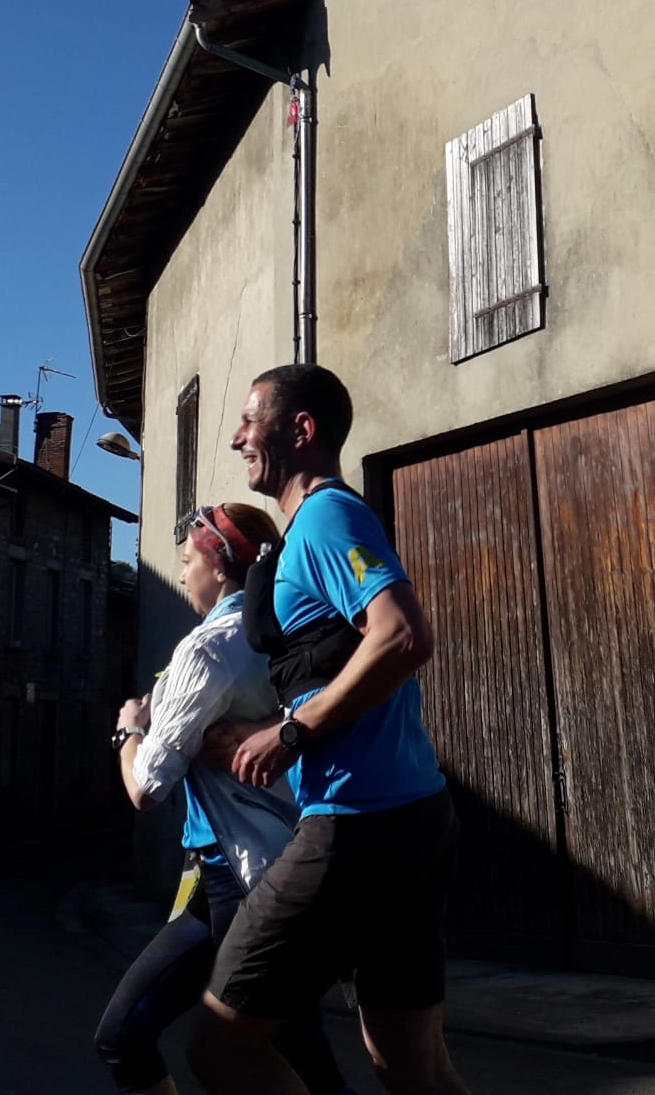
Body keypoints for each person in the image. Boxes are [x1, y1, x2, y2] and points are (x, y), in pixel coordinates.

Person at [189, 363, 472, 1095]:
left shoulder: (326, 518)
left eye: (249, 421)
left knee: (220, 1046)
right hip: (412, 817)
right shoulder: (313, 530)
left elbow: (402, 635)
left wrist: (291, 734)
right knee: (410, 1065)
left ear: (301, 430)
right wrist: (270, 727)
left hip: (358, 825)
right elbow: (346, 664)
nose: (236, 438)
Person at [94, 501, 349, 1095]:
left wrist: (130, 730)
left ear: (218, 565)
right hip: (246, 875)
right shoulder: (288, 633)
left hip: (244, 877)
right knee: (297, 1058)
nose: (182, 575)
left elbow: (146, 788)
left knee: (164, 1043)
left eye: (187, 561)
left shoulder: (207, 648)